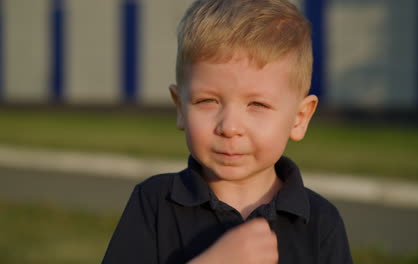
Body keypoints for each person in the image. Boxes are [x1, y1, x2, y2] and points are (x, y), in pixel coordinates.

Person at [102, 0, 353, 263]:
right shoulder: (154, 202)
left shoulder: (321, 223)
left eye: (257, 104)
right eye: (207, 101)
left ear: (299, 118)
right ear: (180, 108)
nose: (230, 127)